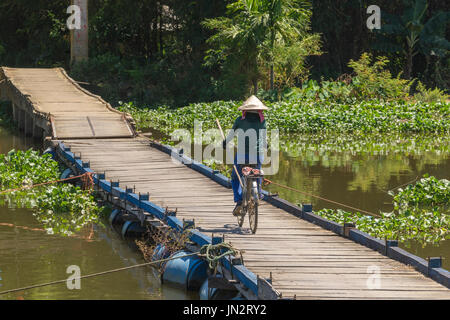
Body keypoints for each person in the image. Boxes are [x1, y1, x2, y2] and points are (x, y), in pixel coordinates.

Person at [222, 95, 268, 216]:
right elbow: (264, 139)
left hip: (242, 155)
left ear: (245, 110)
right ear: (259, 110)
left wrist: (225, 143)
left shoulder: (239, 120)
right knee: (257, 173)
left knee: (235, 177)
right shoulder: (262, 121)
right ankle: (258, 191)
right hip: (257, 155)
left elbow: (231, 135)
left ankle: (238, 201)